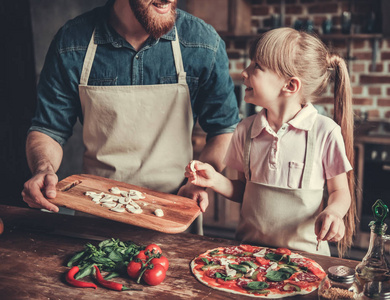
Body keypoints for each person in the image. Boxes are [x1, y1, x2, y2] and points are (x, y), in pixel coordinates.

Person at [21, 0, 240, 215]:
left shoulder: (203, 42)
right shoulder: (71, 42)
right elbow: (48, 130)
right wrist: (43, 169)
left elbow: (224, 129)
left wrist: (199, 183)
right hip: (97, 208)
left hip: (172, 210)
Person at [185, 27, 356, 257]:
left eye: (256, 66)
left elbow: (340, 192)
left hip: (305, 262)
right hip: (248, 257)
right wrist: (214, 180)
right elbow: (243, 191)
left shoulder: (325, 132)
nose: (244, 72)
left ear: (290, 86)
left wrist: (334, 212)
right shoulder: (245, 129)